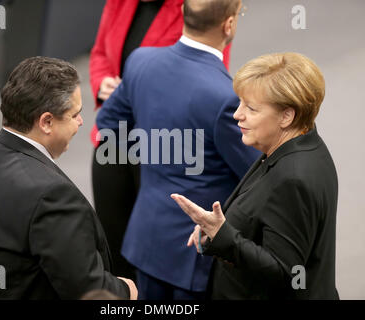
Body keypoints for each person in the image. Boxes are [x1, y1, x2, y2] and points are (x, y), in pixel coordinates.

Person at [96, 0, 259, 299]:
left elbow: (109, 124)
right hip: (194, 256)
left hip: (146, 241)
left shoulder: (140, 61)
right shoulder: (227, 98)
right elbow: (257, 175)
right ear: (229, 25)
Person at [0, 56, 137, 300]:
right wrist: (126, 290)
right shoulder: (53, 196)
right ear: (47, 122)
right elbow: (88, 290)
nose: (81, 122)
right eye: (75, 114)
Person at [171, 52, 339, 299]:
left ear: (286, 116)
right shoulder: (297, 140)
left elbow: (287, 273)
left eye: (251, 108)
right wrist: (217, 230)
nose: (237, 114)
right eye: (240, 102)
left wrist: (223, 237)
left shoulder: (293, 179)